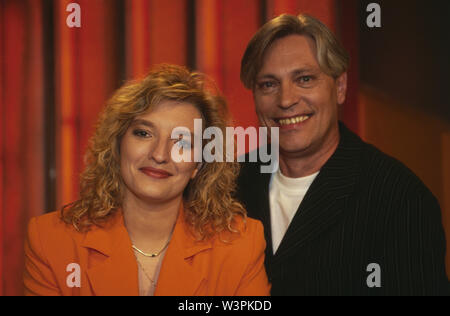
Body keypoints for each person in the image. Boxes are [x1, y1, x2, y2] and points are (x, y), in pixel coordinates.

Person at [237, 13, 449, 295]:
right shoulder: (227, 184)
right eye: (268, 84)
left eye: (304, 79)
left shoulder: (399, 199)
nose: (286, 100)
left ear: (340, 87)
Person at [23, 64, 270, 296]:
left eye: (183, 142)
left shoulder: (240, 245)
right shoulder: (51, 241)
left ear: (199, 164)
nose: (159, 154)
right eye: (144, 133)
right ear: (118, 145)